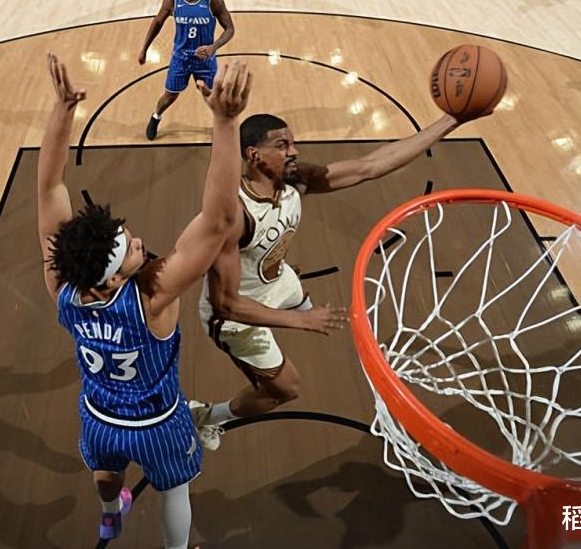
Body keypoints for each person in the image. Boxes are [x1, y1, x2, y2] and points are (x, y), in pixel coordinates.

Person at [37, 53, 251, 547]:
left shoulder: (63, 285)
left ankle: (110, 515)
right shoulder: (153, 295)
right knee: (175, 491)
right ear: (113, 280)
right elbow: (219, 222)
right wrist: (225, 123)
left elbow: (49, 189)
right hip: (157, 422)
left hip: (99, 415)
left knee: (106, 473)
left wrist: (63, 109)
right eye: (128, 249)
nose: (136, 241)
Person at [191, 109, 493, 449]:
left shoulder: (295, 180)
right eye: (282, 145)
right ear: (253, 155)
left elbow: (370, 166)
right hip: (235, 318)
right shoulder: (235, 215)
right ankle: (205, 416)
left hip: (276, 281)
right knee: (286, 389)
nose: (294, 151)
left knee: (300, 295)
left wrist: (452, 121)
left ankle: (301, 306)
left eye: (293, 143)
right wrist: (301, 321)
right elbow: (226, 303)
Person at [139, 0, 235, 141]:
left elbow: (230, 29)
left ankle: (222, 125)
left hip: (205, 60)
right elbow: (157, 22)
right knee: (170, 95)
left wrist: (213, 47)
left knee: (213, 96)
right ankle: (156, 116)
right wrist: (144, 49)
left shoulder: (213, 0)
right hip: (181, 58)